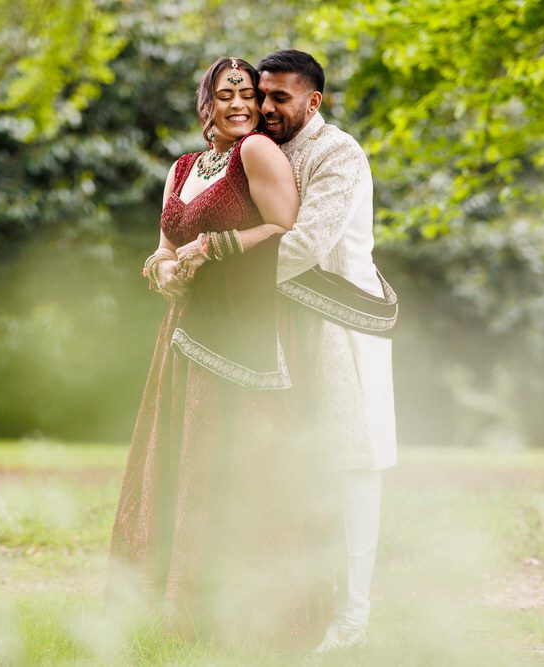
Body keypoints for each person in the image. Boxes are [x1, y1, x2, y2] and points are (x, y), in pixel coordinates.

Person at [108, 56, 331, 646]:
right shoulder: (182, 167)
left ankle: (249, 612)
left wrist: (217, 246)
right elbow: (163, 243)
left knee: (232, 465)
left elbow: (284, 224)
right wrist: (163, 271)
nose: (239, 104)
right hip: (183, 332)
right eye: (226, 94)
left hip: (239, 328)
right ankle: (173, 610)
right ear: (206, 102)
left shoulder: (256, 153)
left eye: (248, 95)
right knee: (180, 459)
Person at [255, 49, 398, 652]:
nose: (265, 108)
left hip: (342, 324)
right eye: (262, 96)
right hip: (283, 325)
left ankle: (353, 621)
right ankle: (294, 610)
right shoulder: (266, 149)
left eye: (279, 98)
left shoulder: (338, 152)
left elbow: (307, 244)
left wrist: (216, 269)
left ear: (313, 101)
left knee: (353, 465)